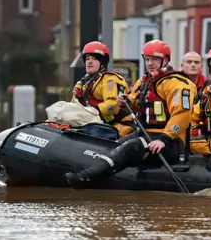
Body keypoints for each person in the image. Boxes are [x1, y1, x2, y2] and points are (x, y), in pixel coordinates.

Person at [65, 40, 197, 187]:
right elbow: (134, 102)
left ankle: (85, 177)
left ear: (165, 61)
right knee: (112, 146)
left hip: (170, 141)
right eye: (147, 59)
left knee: (132, 147)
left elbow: (182, 115)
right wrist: (126, 100)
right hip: (146, 133)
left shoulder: (177, 83)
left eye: (154, 59)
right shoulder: (144, 81)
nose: (150, 63)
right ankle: (101, 171)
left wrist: (163, 139)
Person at [71, 41, 132, 137]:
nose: (89, 61)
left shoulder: (110, 80)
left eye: (94, 58)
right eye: (87, 58)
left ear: (103, 62)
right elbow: (73, 105)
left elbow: (112, 105)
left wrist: (90, 111)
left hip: (117, 126)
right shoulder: (83, 83)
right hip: (94, 124)